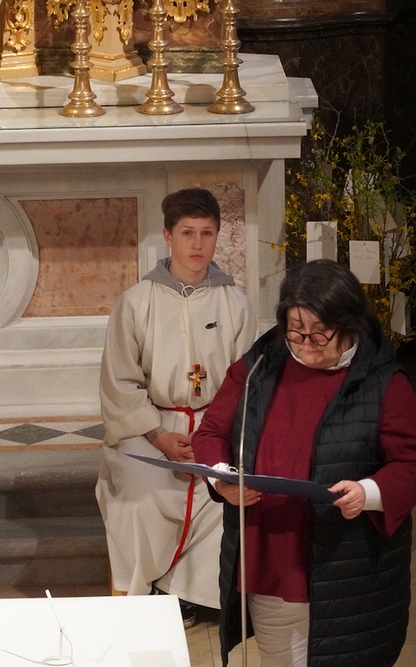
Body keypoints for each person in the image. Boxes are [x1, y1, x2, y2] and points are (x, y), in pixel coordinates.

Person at [192, 259, 416, 667]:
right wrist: (222, 479)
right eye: (295, 332)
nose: (306, 345)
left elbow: (409, 464)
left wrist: (368, 492)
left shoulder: (385, 382)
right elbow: (211, 434)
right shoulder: (258, 368)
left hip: (348, 566)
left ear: (349, 324)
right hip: (271, 554)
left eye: (319, 334)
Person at [95, 188, 257, 628]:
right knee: (140, 497)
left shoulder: (236, 304)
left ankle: (186, 591)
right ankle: (148, 587)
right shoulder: (136, 302)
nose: (198, 244)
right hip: (148, 428)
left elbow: (244, 384)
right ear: (168, 235)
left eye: (207, 233)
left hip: (215, 425)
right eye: (188, 233)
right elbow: (120, 382)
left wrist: (210, 437)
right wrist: (159, 436)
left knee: (224, 496)